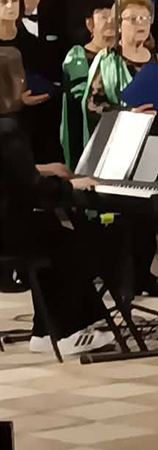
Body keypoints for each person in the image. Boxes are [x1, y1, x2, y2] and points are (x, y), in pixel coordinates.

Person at [0, 49, 116, 357]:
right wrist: (68, 185)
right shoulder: (8, 129)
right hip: (8, 231)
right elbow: (31, 189)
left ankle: (44, 330)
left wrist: (42, 168)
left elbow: (11, 172)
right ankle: (69, 330)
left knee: (50, 231)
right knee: (71, 244)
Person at [84, 0, 158, 298]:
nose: (140, 24)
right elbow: (92, 104)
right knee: (120, 215)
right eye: (132, 19)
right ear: (118, 24)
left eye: (145, 19)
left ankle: (144, 274)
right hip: (121, 143)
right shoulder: (108, 59)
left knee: (147, 214)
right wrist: (127, 112)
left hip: (155, 141)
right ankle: (119, 276)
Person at [0, 0, 60, 164]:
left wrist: (47, 90)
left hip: (37, 120)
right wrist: (16, 100)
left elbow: (52, 75)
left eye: (14, 1)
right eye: (3, 2)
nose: (10, 6)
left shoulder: (33, 43)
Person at [58, 0, 115, 171]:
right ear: (90, 23)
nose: (110, 21)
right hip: (87, 131)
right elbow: (81, 97)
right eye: (103, 16)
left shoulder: (121, 57)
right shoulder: (78, 56)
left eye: (114, 17)